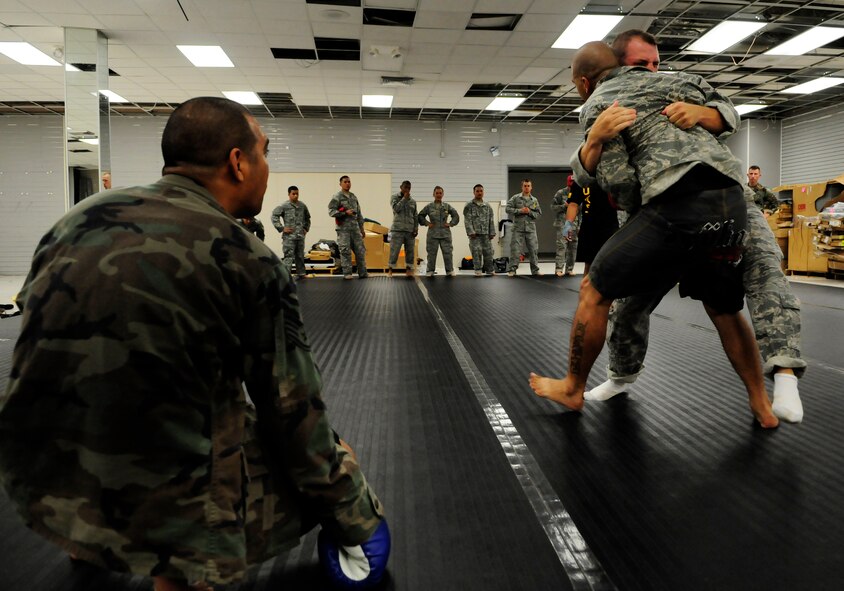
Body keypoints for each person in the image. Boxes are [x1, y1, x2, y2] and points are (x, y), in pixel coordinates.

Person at [0, 97, 389, 591]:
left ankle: (92, 540)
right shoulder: (247, 259)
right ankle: (181, 573)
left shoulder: (75, 220)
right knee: (331, 454)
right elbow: (293, 416)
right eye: (264, 154)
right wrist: (356, 513)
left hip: (43, 479)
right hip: (159, 494)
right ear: (238, 161)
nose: (267, 168)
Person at [529, 41, 779, 429]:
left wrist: (627, 188)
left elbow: (618, 180)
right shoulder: (684, 81)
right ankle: (762, 404)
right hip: (731, 203)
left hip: (677, 207)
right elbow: (727, 116)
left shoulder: (601, 103)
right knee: (724, 308)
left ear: (583, 82)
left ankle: (573, 387)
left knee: (593, 291)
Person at [578, 30, 805, 423]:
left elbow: (728, 112)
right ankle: (620, 376)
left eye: (655, 63)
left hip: (709, 201)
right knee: (630, 306)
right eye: (640, 65)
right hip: (668, 210)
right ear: (616, 66)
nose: (651, 71)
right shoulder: (617, 101)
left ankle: (773, 388)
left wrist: (703, 114)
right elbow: (590, 167)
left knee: (741, 291)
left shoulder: (681, 85)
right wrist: (595, 141)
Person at [564, 178, 619, 275]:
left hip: (611, 226)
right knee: (589, 267)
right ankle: (588, 288)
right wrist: (568, 224)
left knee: (612, 265)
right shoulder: (581, 179)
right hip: (589, 228)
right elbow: (573, 204)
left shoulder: (612, 175)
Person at [328, 175, 368, 279]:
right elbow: (331, 212)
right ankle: (347, 273)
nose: (347, 184)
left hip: (355, 229)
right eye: (345, 182)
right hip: (343, 230)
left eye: (349, 182)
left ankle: (363, 273)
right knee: (345, 251)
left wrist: (362, 229)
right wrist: (345, 213)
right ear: (340, 184)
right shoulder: (337, 197)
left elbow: (359, 214)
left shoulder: (354, 197)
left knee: (361, 251)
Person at [418, 186, 460, 277]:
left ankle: (449, 270)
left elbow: (456, 216)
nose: (438, 195)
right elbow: (420, 216)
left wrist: (450, 224)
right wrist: (427, 223)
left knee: (448, 253)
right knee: (431, 254)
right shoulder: (429, 207)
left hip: (445, 234)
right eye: (437, 193)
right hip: (433, 234)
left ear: (443, 194)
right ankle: (430, 270)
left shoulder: (447, 206)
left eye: (440, 193)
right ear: (433, 194)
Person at [272, 185, 311, 279]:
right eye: (293, 194)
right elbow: (274, 216)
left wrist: (306, 228)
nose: (296, 196)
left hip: (300, 236)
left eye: (297, 194)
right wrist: (281, 228)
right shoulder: (284, 206)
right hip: (289, 237)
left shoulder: (302, 205)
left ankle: (301, 273)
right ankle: (286, 276)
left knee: (300, 255)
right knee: (288, 256)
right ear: (289, 194)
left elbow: (307, 218)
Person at [506, 179, 543, 276]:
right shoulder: (515, 198)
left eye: (528, 186)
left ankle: (535, 270)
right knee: (515, 250)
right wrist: (520, 211)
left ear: (531, 187)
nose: (527, 187)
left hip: (530, 229)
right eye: (525, 186)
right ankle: (512, 270)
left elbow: (538, 214)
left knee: (533, 250)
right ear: (522, 187)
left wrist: (529, 212)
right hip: (518, 229)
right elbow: (508, 209)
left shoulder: (534, 200)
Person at [463, 184, 497, 276]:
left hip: (486, 234)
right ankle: (478, 270)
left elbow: (491, 219)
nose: (479, 193)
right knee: (476, 253)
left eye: (481, 191)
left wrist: (492, 232)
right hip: (475, 235)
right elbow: (467, 220)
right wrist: (471, 232)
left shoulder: (487, 205)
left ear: (483, 192)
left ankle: (489, 270)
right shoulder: (469, 205)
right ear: (474, 192)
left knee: (489, 252)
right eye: (477, 191)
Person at [388, 180, 418, 277]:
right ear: (401, 187)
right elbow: (396, 209)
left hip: (409, 230)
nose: (407, 190)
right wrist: (404, 199)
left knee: (410, 252)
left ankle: (409, 269)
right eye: (405, 187)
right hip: (397, 229)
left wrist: (416, 228)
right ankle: (390, 269)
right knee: (394, 251)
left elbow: (415, 216)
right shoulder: (394, 198)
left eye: (409, 188)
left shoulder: (413, 201)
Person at [552, 177, 579, 276]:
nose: (572, 184)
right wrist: (564, 206)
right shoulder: (560, 193)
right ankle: (559, 269)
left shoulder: (578, 193)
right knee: (562, 247)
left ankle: (569, 269)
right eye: (570, 182)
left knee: (573, 248)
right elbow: (553, 207)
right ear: (567, 182)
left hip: (574, 225)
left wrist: (579, 225)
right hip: (563, 224)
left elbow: (580, 212)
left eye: (573, 182)